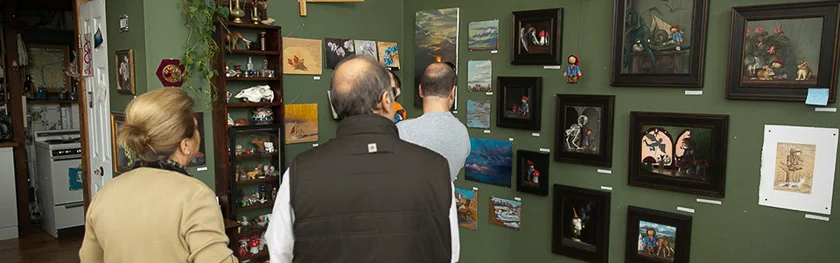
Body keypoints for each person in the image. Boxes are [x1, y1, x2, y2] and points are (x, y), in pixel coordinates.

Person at [265, 56, 458, 263]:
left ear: (336, 104)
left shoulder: (299, 172)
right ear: (386, 100)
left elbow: (279, 253)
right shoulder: (436, 169)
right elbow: (451, 253)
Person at [79, 88, 236, 263]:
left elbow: (89, 259)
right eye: (196, 128)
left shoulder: (105, 194)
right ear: (186, 145)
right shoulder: (195, 196)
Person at [397, 62, 470, 182]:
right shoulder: (462, 132)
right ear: (452, 92)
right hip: (444, 200)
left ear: (420, 90)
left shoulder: (402, 130)